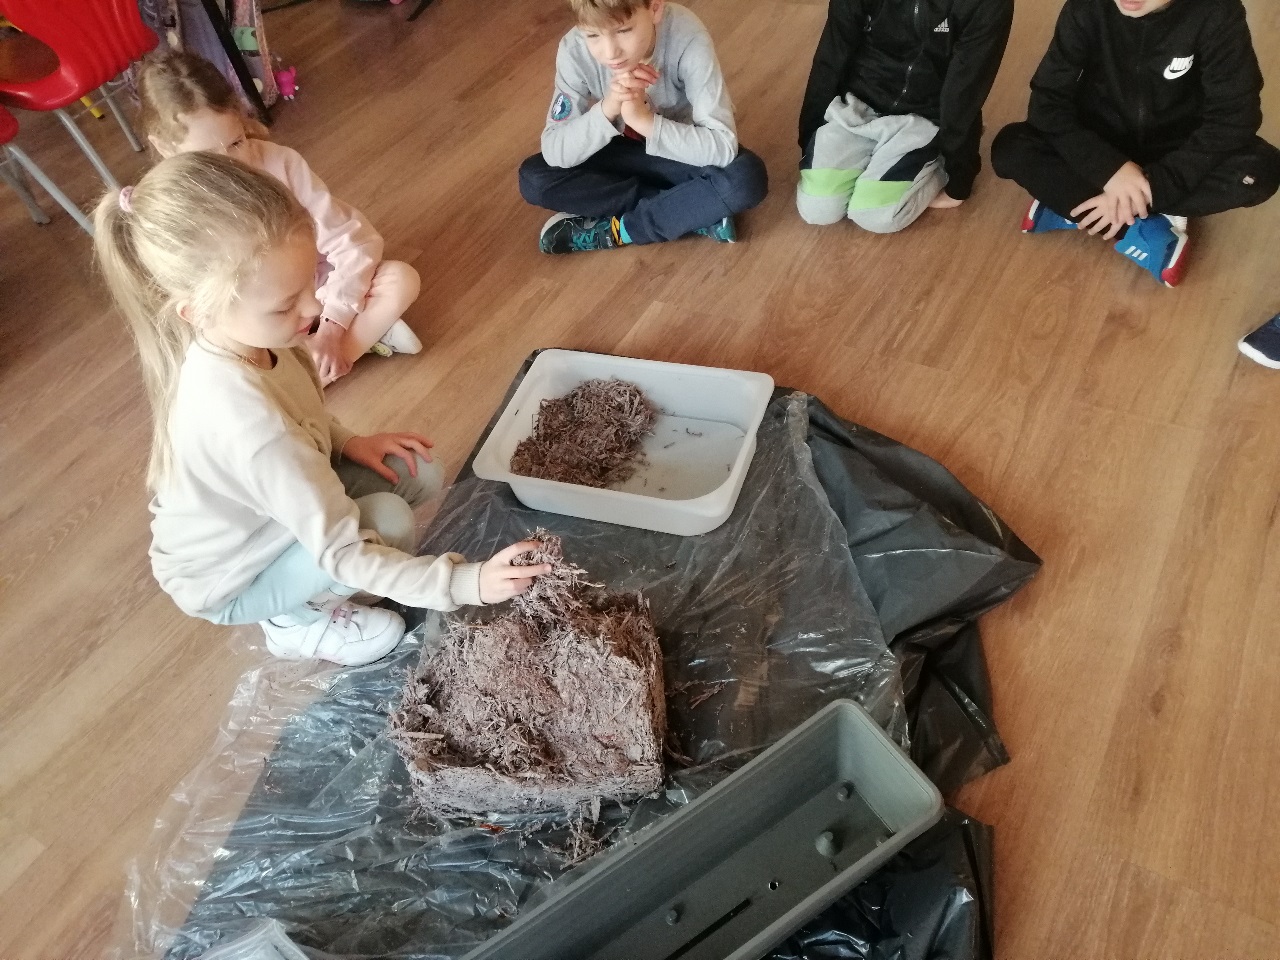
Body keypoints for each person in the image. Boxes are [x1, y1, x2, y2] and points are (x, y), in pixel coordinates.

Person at [93, 153, 551, 666]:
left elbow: (301, 410)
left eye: (311, 282)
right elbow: (344, 551)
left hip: (273, 511)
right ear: (197, 311)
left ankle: (317, 589)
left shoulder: (258, 335)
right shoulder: (247, 426)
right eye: (285, 304)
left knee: (416, 471)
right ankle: (295, 621)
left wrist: (348, 441)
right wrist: (467, 582)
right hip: (236, 575)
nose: (314, 309)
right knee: (387, 520)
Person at [137, 51, 423, 383]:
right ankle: (340, 355)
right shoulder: (170, 208)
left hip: (310, 294)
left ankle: (313, 371)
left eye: (236, 142)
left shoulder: (281, 163)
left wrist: (333, 325)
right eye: (208, 157)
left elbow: (352, 242)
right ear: (164, 148)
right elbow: (201, 312)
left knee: (400, 280)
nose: (233, 165)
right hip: (253, 322)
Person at [991, 0, 1280, 288]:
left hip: (1177, 149)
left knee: (1260, 172)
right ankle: (1142, 227)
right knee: (1011, 146)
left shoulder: (1218, 12)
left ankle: (1074, 204)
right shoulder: (1086, 7)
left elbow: (1235, 118)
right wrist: (1110, 170)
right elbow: (1047, 103)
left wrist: (1157, 184)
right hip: (1099, 141)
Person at [518, 0, 769, 254]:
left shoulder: (687, 36)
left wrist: (643, 121)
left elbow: (723, 146)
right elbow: (554, 150)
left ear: (655, 8)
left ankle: (621, 230)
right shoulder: (574, 50)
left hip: (682, 156)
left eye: (624, 30)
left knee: (745, 178)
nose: (610, 52)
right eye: (593, 35)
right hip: (622, 152)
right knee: (533, 178)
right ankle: (690, 211)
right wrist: (608, 108)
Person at [796, 0, 1013, 233]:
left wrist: (960, 179)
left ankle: (935, 162)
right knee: (817, 209)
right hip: (858, 107)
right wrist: (810, 140)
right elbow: (830, 59)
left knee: (874, 215)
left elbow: (964, 92)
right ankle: (877, 160)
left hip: (924, 120)